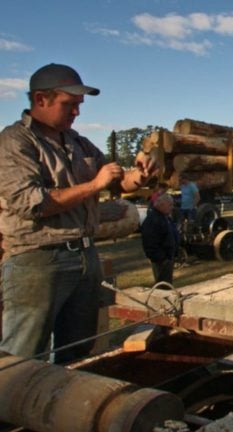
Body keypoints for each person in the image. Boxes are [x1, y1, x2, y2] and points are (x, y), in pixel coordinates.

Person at [0, 63, 157, 363]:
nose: (77, 113)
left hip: (85, 256)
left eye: (79, 106)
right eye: (69, 104)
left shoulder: (77, 142)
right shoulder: (15, 142)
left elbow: (118, 180)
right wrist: (94, 184)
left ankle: (63, 407)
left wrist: (139, 176)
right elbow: (31, 203)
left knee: (80, 351)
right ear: (40, 100)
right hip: (38, 259)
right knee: (22, 356)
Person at [141, 193, 180, 285]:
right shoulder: (153, 219)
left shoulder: (164, 217)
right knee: (163, 287)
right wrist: (161, 258)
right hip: (161, 260)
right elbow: (149, 242)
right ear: (161, 205)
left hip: (168, 258)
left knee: (168, 285)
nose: (172, 207)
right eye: (170, 205)